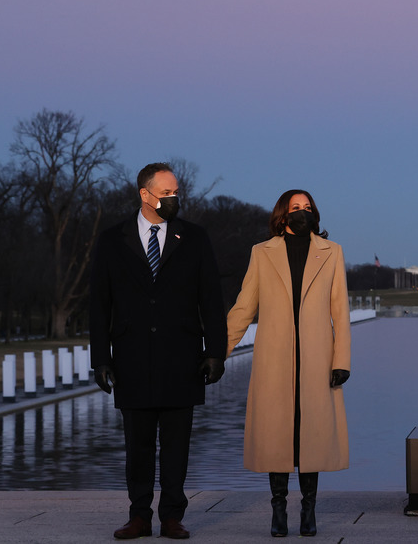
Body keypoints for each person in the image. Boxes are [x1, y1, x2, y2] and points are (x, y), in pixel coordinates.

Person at [90, 162, 227, 540]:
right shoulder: (112, 239)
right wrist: (100, 358)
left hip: (181, 356)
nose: (173, 199)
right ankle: (138, 516)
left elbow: (211, 299)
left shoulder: (194, 238)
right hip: (131, 357)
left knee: (177, 444)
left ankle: (171, 516)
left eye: (175, 192)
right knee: (137, 446)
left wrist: (216, 351)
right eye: (166, 193)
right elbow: (99, 303)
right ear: (144, 194)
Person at [225, 189, 351, 537]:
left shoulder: (332, 252)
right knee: (278, 437)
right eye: (295, 208)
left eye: (307, 208)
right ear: (282, 214)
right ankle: (278, 509)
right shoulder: (262, 253)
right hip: (275, 359)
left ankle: (308, 510)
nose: (302, 213)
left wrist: (341, 360)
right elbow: (243, 307)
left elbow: (340, 312)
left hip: (317, 358)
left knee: (311, 437)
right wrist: (217, 351)